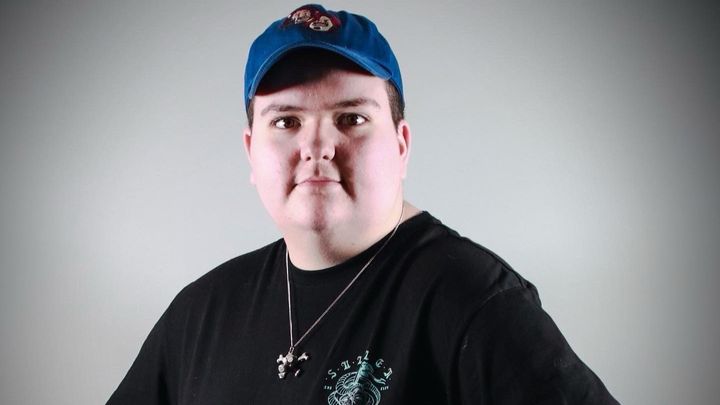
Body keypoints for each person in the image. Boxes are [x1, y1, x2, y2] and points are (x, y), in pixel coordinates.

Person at [107, 4, 619, 404]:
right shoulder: (201, 313)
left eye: (351, 119)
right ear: (250, 151)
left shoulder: (471, 301)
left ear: (400, 144)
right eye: (286, 121)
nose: (317, 146)